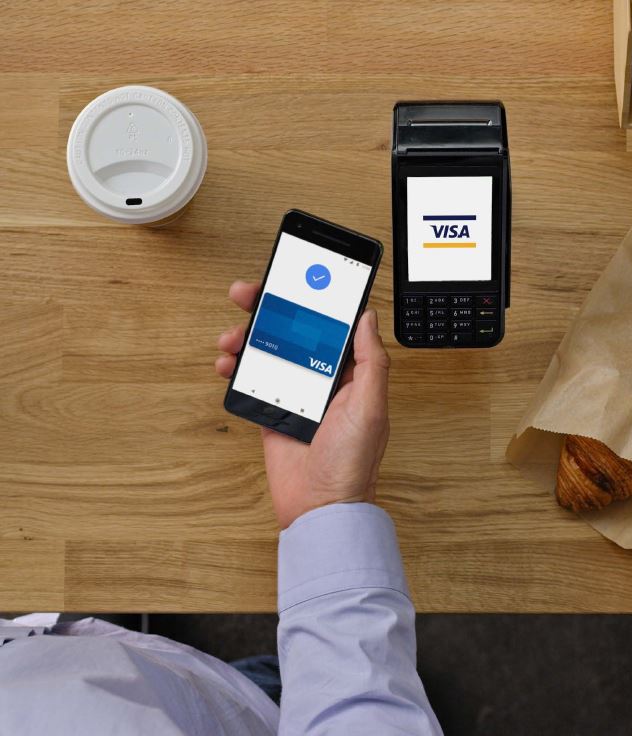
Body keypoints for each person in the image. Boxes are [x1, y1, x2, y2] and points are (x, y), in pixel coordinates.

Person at [0, 280, 443, 735]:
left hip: (153, 677)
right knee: (272, 681)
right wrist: (329, 503)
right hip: (265, 702)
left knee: (252, 679)